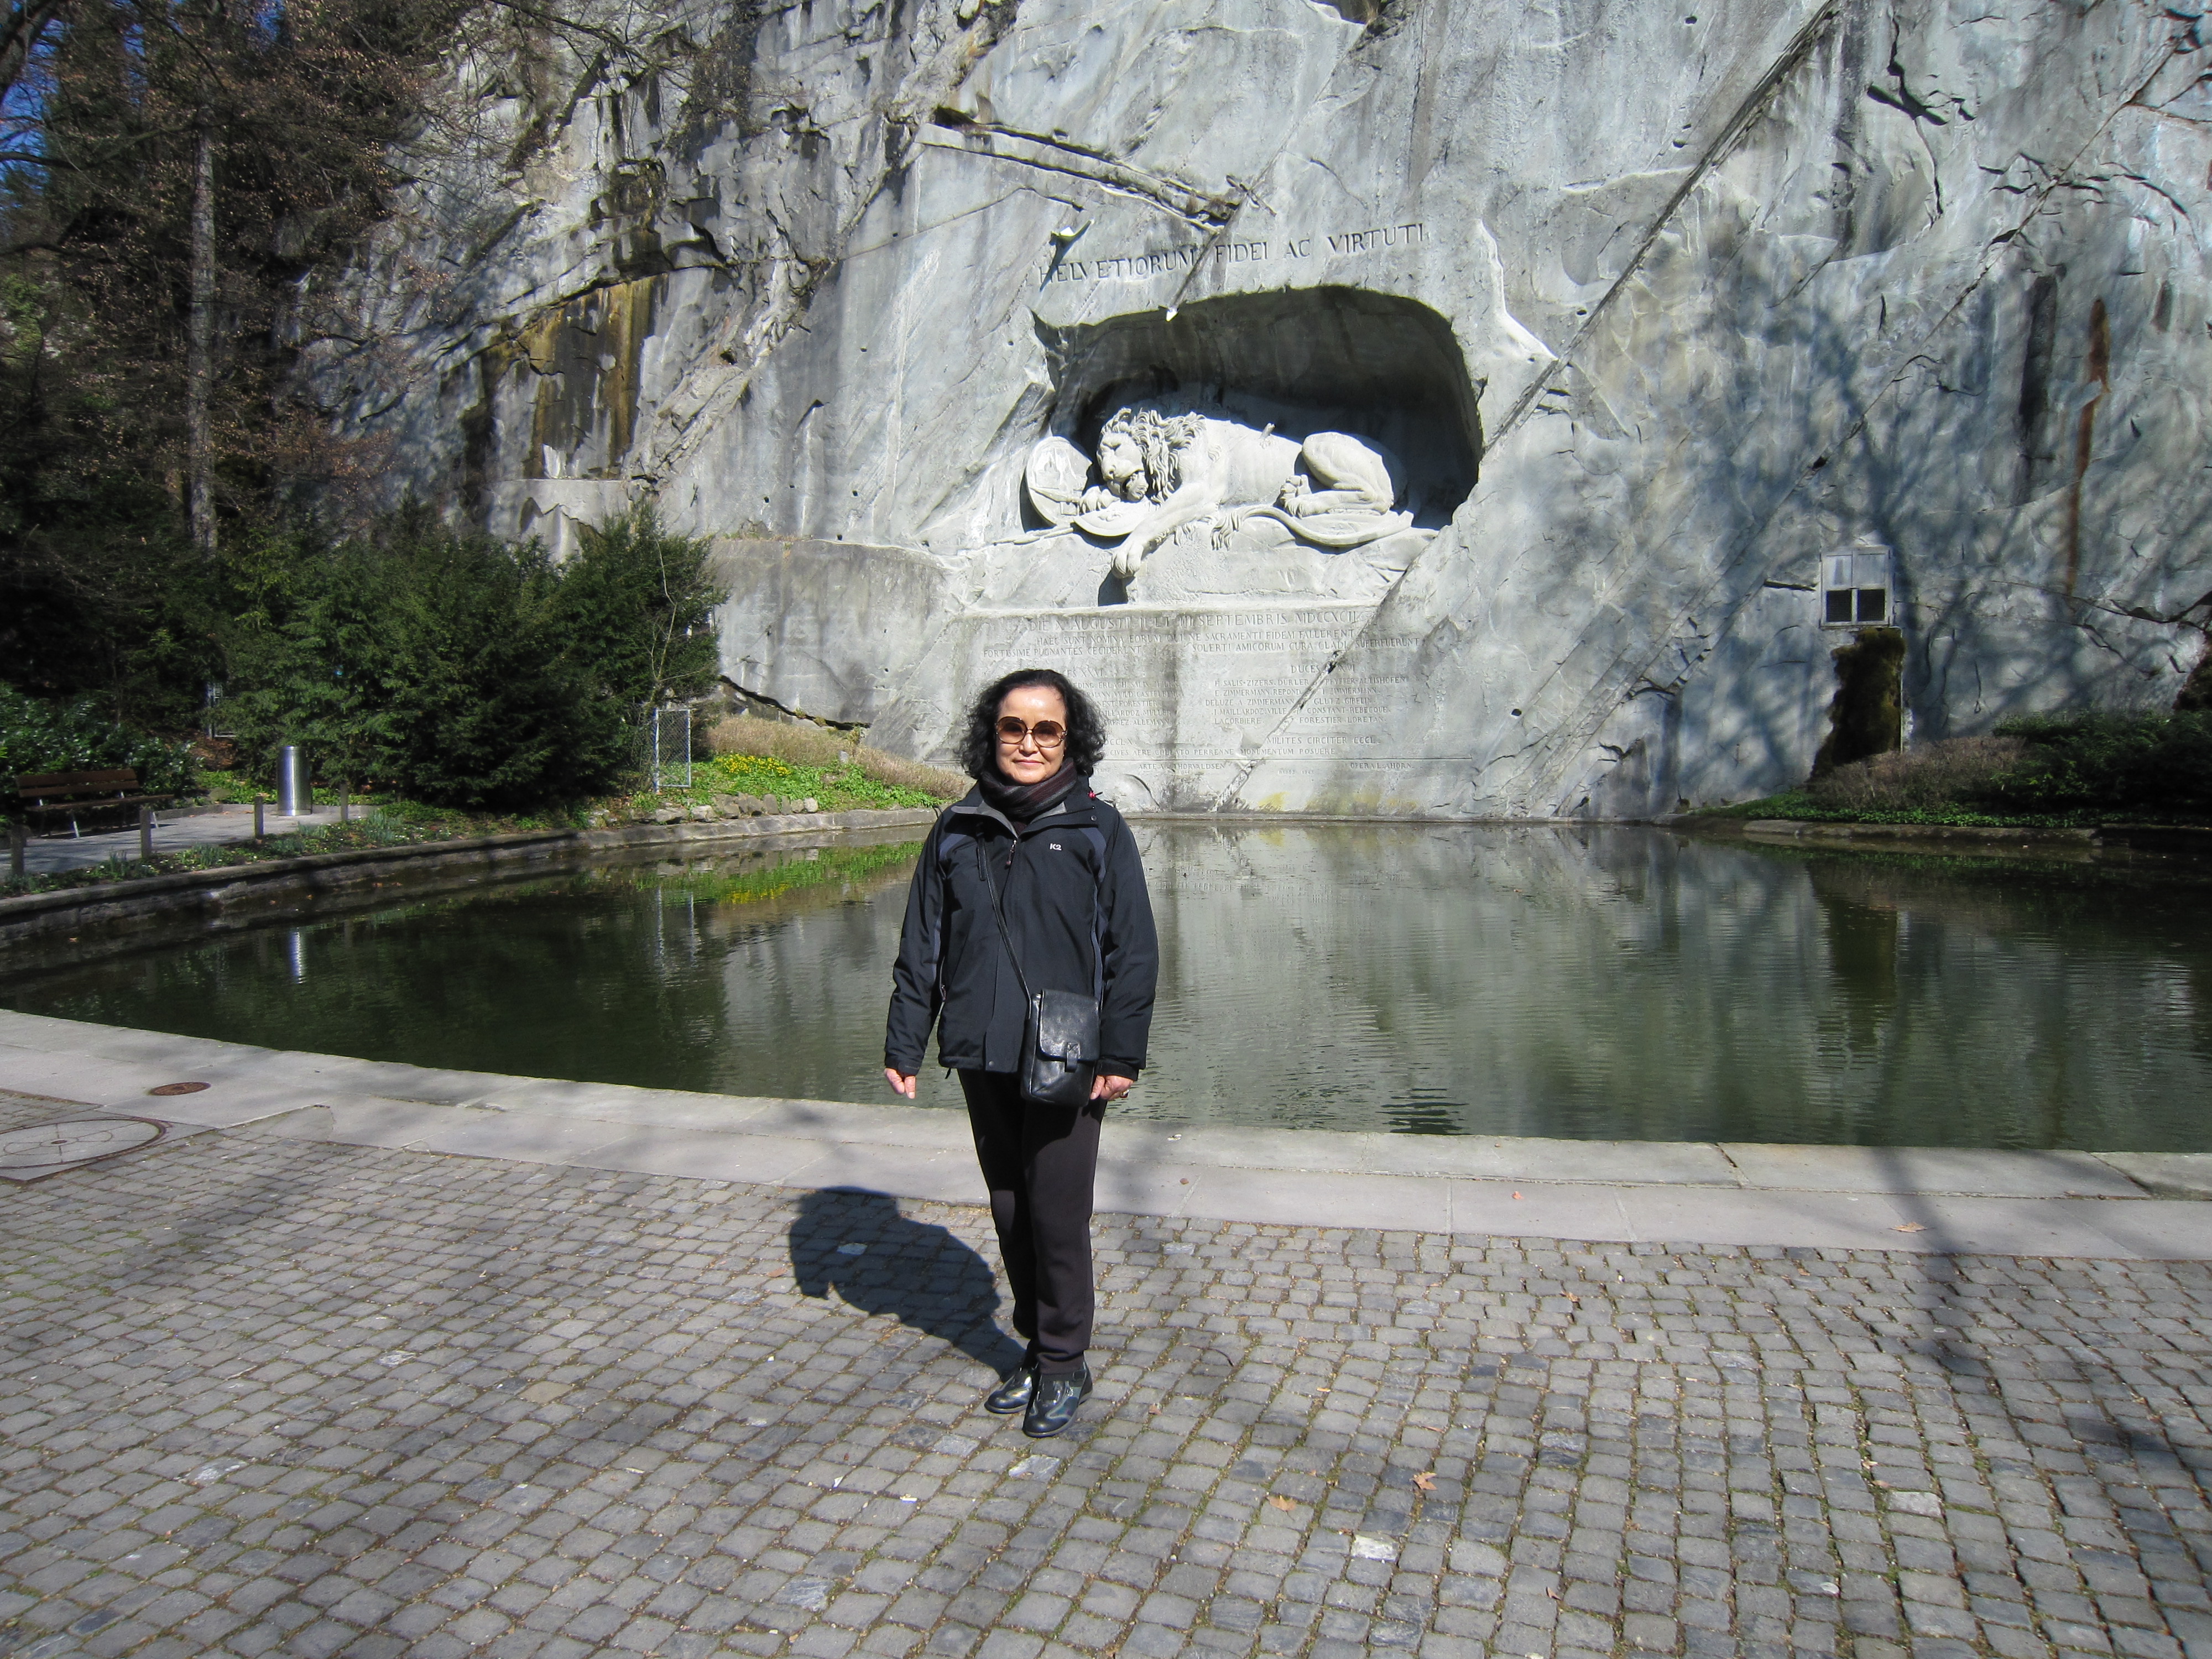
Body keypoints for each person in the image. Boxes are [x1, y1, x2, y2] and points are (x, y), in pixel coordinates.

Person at [883, 668, 1159, 1439]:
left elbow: (1133, 951)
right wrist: (906, 1039)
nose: (1029, 744)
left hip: (1070, 1054)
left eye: (1047, 730)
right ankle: (1039, 1348)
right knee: (1010, 1206)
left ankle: (1066, 1361)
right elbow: (923, 942)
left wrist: (1122, 1055)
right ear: (992, 733)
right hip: (983, 1046)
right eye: (1014, 727)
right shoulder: (958, 826)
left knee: (1056, 1212)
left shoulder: (1098, 828)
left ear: (1070, 740)